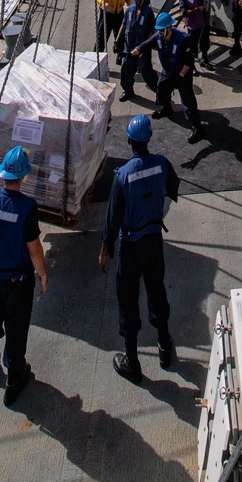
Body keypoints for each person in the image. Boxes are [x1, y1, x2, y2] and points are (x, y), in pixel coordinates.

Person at [98, 114, 180, 382]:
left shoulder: (122, 176)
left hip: (131, 245)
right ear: (149, 139)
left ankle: (132, 362)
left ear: (129, 141)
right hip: (154, 240)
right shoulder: (161, 164)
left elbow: (112, 217)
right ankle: (165, 346)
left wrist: (104, 249)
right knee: (156, 290)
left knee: (128, 301)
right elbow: (173, 188)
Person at [0, 146, 48, 406]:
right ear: (24, 177)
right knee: (16, 327)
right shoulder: (27, 207)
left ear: (3, 174)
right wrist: (42, 274)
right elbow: (34, 248)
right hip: (18, 280)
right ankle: (15, 376)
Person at [147, 12, 204, 143]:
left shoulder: (183, 39)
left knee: (187, 99)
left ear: (169, 28)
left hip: (182, 73)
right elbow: (147, 44)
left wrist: (180, 76)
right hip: (168, 70)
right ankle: (166, 108)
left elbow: (189, 61)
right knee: (161, 88)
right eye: (158, 30)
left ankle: (197, 127)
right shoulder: (159, 37)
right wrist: (134, 52)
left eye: (162, 30)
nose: (159, 32)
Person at [116, 0, 158, 101]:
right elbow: (124, 25)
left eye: (138, 0)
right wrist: (117, 41)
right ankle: (128, 90)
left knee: (146, 71)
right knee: (126, 70)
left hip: (141, 50)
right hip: (128, 48)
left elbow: (151, 32)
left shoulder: (148, 13)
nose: (136, 2)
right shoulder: (129, 10)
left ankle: (160, 93)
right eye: (135, 0)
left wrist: (144, 49)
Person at [176, 0, 213, 70]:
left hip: (204, 22)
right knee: (192, 47)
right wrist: (196, 10)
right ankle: (191, 66)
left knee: (205, 43)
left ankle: (204, 59)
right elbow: (184, 12)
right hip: (194, 26)